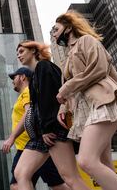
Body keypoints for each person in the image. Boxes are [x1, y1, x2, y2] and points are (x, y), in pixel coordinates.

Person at [53, 11, 117, 190]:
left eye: (56, 28)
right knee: (105, 166)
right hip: (88, 110)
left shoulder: (86, 41)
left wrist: (66, 88)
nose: (54, 33)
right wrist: (64, 107)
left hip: (103, 101)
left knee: (86, 161)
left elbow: (99, 68)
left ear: (69, 27)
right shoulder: (68, 56)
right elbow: (73, 91)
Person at [13, 40, 90, 190]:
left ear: (34, 51)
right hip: (40, 133)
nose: (19, 56)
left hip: (52, 129)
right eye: (17, 53)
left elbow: (50, 99)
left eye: (22, 51)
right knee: (21, 173)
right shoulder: (36, 75)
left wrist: (47, 128)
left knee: (70, 176)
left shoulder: (45, 67)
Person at [2, 67, 69, 190]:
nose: (12, 80)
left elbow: (29, 114)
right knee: (57, 185)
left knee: (17, 185)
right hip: (29, 146)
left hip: (31, 146)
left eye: (14, 77)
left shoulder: (27, 92)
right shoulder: (24, 94)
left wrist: (11, 138)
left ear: (23, 77)